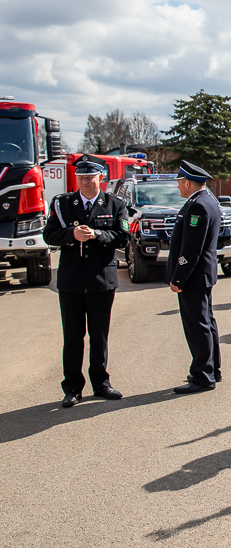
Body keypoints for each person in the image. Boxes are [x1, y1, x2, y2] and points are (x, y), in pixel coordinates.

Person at [43, 155, 130, 407]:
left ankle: (101, 384)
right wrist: (71, 233)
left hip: (101, 281)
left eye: (89, 177)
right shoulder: (62, 204)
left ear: (101, 178)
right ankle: (72, 388)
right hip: (71, 281)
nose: (84, 181)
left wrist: (96, 234)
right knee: (72, 336)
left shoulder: (115, 204)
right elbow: (49, 234)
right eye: (80, 177)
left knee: (99, 336)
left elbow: (123, 237)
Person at [167, 161, 222, 394]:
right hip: (202, 275)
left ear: (188, 183)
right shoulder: (207, 200)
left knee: (197, 326)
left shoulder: (198, 205)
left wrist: (178, 278)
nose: (178, 186)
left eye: (180, 182)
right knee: (206, 323)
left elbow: (191, 249)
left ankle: (202, 376)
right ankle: (212, 370)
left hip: (194, 277)